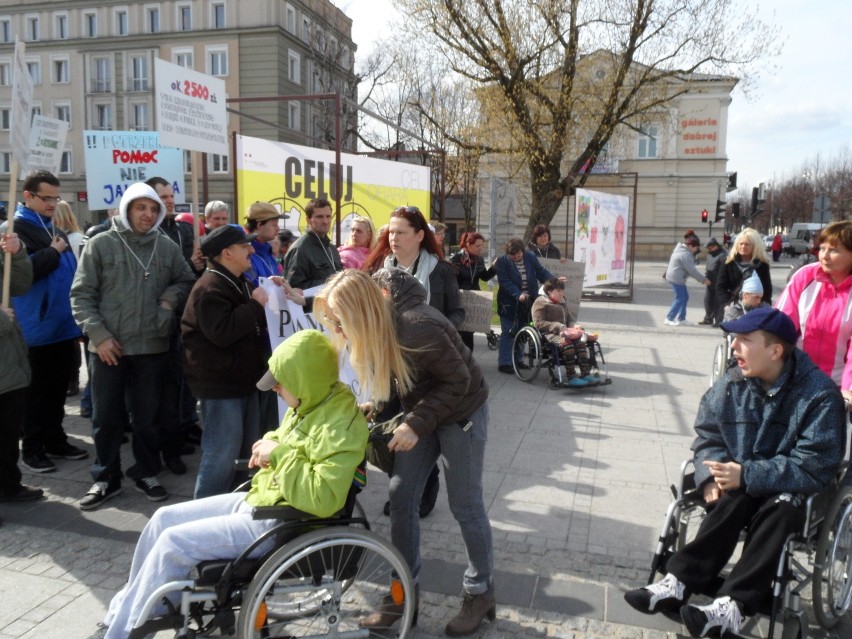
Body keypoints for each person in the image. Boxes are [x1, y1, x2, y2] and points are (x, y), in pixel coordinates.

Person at [90, 329, 368, 639]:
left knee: (173, 543)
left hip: (283, 521)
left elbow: (323, 496)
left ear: (304, 379)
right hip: (265, 500)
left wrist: (279, 454)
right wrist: (268, 443)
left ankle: (124, 630)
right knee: (161, 519)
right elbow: (287, 440)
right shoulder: (314, 401)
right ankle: (134, 609)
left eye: (280, 384)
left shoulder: (340, 426)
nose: (275, 389)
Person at [623, 307, 846, 638]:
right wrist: (710, 477)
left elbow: (815, 464)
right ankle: (678, 583)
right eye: (734, 339)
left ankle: (732, 607)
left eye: (744, 339)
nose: (734, 347)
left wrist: (748, 474)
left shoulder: (819, 394)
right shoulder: (731, 384)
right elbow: (708, 436)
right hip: (742, 482)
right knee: (733, 496)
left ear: (775, 350)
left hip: (797, 491)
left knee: (781, 506)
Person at [314, 269, 495, 636]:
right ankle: (402, 594)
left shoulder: (416, 325)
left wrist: (414, 425)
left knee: (465, 504)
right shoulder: (383, 325)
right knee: (400, 497)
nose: (335, 326)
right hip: (425, 413)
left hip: (462, 413)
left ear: (360, 310)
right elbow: (403, 380)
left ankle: (480, 592)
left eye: (338, 318)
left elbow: (458, 380)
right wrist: (379, 409)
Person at [71, 182, 196, 510]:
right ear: (127, 208)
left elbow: (185, 280)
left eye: (153, 208)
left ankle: (146, 471)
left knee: (147, 416)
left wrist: (168, 301)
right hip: (109, 348)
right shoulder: (100, 244)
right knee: (106, 416)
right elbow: (81, 295)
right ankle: (105, 477)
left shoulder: (165, 246)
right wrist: (99, 336)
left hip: (151, 345)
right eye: (141, 207)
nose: (148, 214)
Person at [363, 206, 463, 517]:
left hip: (428, 373)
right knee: (392, 434)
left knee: (421, 435)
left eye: (401, 232)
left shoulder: (441, 270)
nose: (393, 238)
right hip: (389, 369)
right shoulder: (377, 269)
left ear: (420, 236)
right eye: (390, 232)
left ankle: (422, 494)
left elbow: (458, 312)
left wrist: (438, 332)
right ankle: (403, 491)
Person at [2, 170, 87, 473]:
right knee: (36, 394)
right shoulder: (13, 231)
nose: (53, 203)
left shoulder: (55, 228)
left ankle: (55, 439)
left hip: (61, 326)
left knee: (56, 392)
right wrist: (53, 251)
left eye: (55, 197)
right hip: (34, 328)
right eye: (46, 198)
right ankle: (33, 449)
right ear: (28, 196)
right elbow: (26, 273)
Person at [181, 225, 270, 499]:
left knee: (245, 453)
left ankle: (232, 504)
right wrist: (255, 306)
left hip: (243, 382)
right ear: (227, 252)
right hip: (222, 387)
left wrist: (273, 292)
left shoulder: (237, 279)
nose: (252, 250)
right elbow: (222, 333)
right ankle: (202, 514)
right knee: (221, 455)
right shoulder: (210, 287)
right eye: (245, 247)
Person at [776, 220, 852, 404]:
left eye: (834, 250)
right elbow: (780, 325)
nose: (824, 256)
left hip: (836, 386)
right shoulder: (805, 276)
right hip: (796, 377)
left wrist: (848, 389)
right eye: (821, 248)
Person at [0, 232, 44, 504]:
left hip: (7, 361)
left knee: (7, 433)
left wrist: (15, 255)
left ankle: (8, 485)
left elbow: (19, 285)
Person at [495, 238, 556, 373]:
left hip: (529, 300)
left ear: (523, 251)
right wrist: (518, 294)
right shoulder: (502, 262)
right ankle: (504, 363)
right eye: (513, 255)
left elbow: (540, 272)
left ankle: (518, 360)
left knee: (524, 330)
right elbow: (505, 282)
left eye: (519, 253)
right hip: (509, 303)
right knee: (509, 331)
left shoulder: (530, 256)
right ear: (508, 253)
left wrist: (553, 281)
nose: (517, 257)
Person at [531, 278, 597, 388]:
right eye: (558, 291)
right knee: (567, 344)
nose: (561, 293)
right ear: (549, 291)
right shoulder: (540, 302)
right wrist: (558, 326)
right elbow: (538, 323)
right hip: (549, 333)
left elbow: (569, 318)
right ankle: (571, 377)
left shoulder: (562, 302)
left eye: (562, 290)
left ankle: (586, 374)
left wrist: (574, 325)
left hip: (566, 331)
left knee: (581, 342)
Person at [52, 201, 86, 397]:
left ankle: (72, 379)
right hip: (61, 292)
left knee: (73, 339)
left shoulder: (75, 238)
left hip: (71, 291)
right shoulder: (56, 237)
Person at [282, 197, 343, 294]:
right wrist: (329, 284)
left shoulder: (331, 248)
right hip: (312, 307)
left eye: (328, 216)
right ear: (308, 219)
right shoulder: (300, 249)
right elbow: (293, 289)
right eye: (319, 217)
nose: (325, 221)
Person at [450, 231, 496, 351]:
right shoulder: (456, 259)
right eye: (477, 246)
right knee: (461, 331)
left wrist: (494, 268)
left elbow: (484, 277)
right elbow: (450, 281)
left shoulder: (479, 260)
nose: (480, 249)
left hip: (474, 298)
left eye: (482, 246)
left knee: (469, 332)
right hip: (460, 298)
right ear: (468, 245)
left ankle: (468, 360)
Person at [715, 228, 772, 324]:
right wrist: (726, 305)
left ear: (755, 246)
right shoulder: (728, 262)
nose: (743, 246)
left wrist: (765, 306)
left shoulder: (762, 265)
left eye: (747, 244)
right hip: (733, 308)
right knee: (732, 337)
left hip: (755, 309)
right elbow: (720, 286)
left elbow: (767, 288)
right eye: (741, 243)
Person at [664, 235, 710, 326]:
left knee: (685, 297)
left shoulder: (682, 250)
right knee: (680, 298)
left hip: (676, 277)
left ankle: (682, 318)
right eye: (696, 248)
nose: (696, 250)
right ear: (690, 246)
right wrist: (704, 280)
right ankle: (669, 318)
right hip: (677, 278)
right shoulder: (685, 254)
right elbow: (692, 271)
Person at [699, 237, 725, 325]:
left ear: (715, 246)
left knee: (718, 302)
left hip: (719, 282)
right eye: (708, 248)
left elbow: (725, 270)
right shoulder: (709, 254)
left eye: (710, 248)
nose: (709, 250)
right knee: (708, 300)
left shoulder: (723, 255)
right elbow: (708, 266)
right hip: (710, 281)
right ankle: (708, 318)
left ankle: (718, 320)